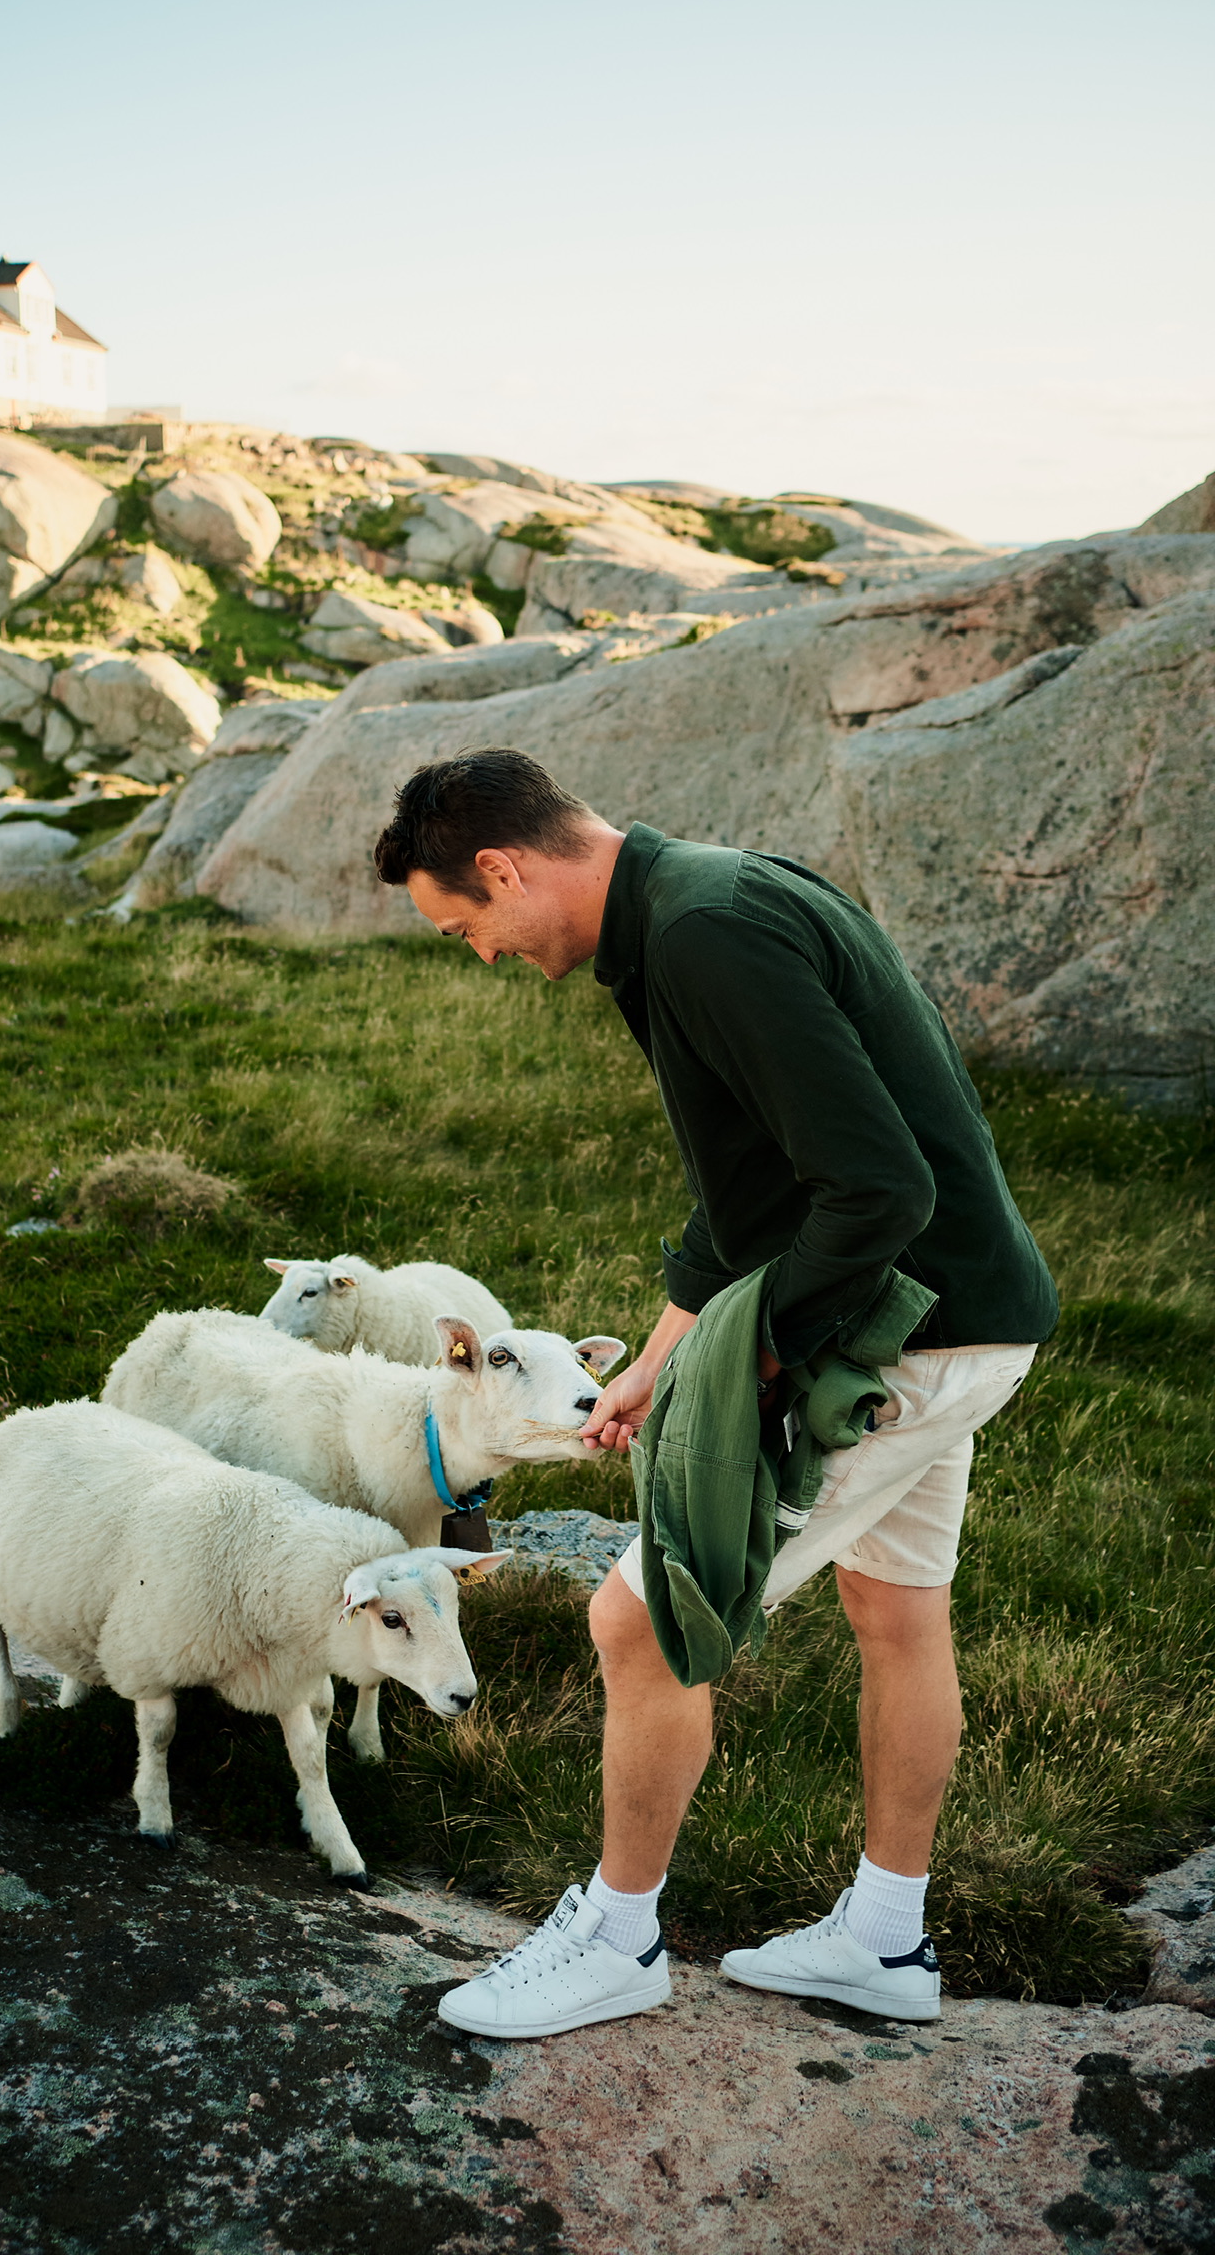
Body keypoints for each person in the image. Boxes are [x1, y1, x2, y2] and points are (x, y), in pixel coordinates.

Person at [372, 748, 1057, 2040]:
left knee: (641, 1620)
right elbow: (750, 1188)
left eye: (466, 924)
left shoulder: (706, 936)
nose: (480, 953)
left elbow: (879, 1193)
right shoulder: (689, 907)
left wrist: (753, 1357)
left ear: (506, 869)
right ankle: (884, 1940)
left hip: (903, 1339)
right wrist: (657, 1358)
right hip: (959, 1317)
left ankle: (619, 1940)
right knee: (895, 1604)